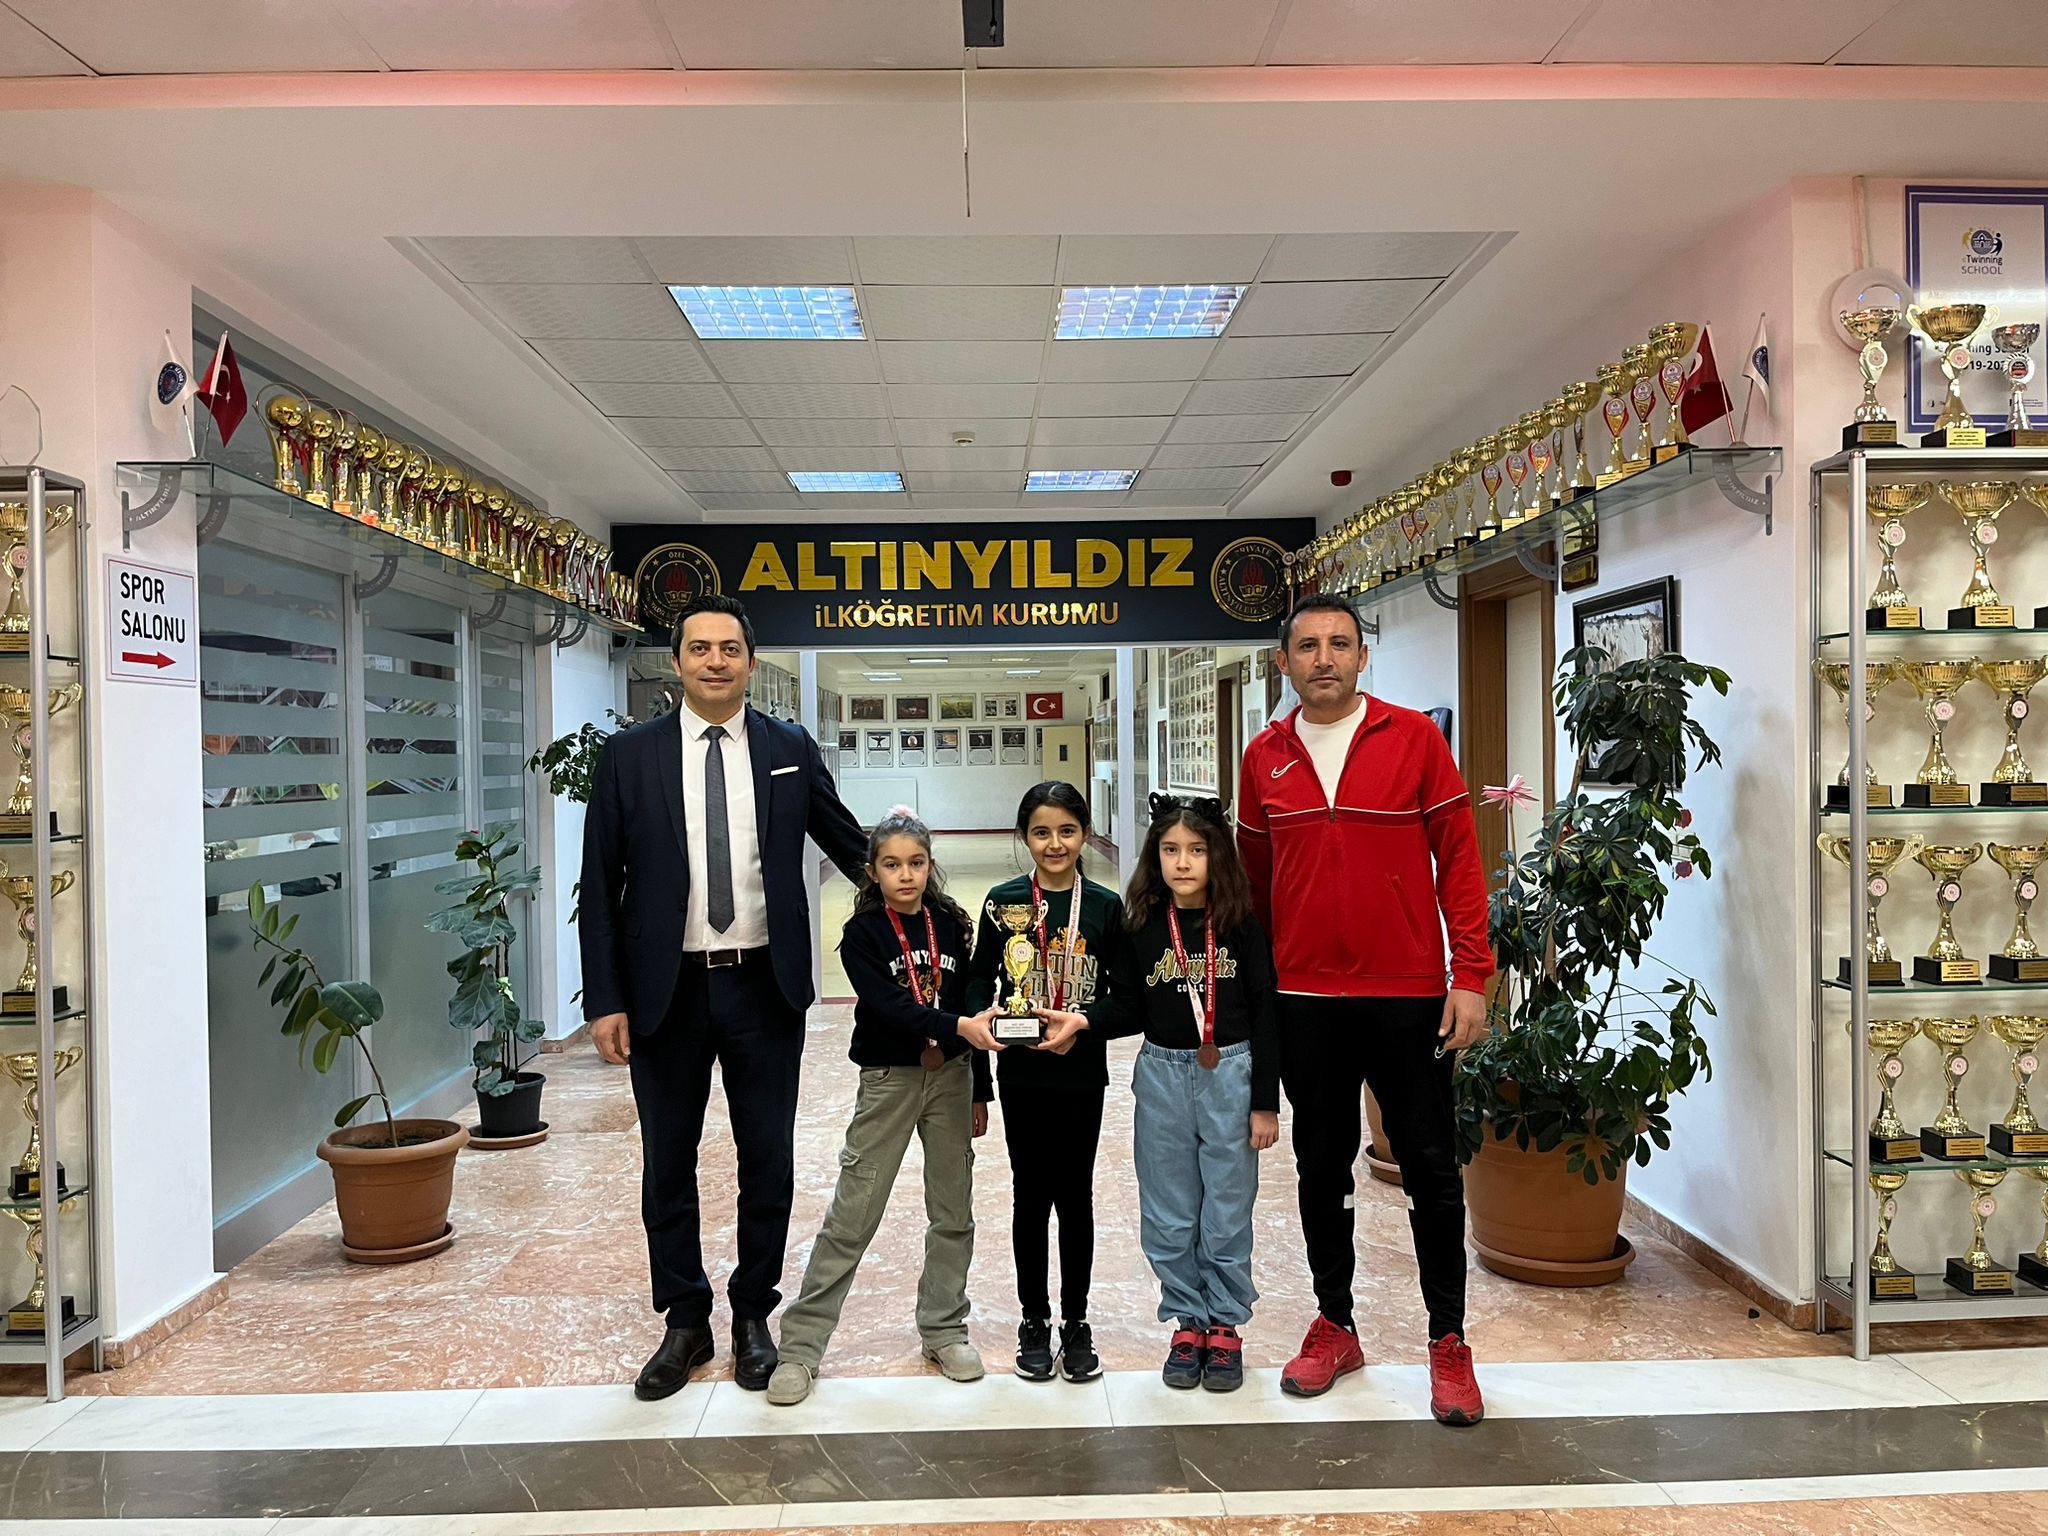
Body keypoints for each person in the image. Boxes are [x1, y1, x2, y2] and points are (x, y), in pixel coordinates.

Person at [579, 592, 868, 1402]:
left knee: (766, 1159)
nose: (715, 661)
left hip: (762, 985)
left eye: (729, 648)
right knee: (668, 1162)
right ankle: (684, 1319)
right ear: (677, 662)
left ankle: (751, 1315)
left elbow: (849, 844)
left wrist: (924, 896)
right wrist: (605, 999)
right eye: (700, 648)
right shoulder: (629, 756)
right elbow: (600, 883)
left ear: (750, 661)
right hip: (664, 991)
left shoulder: (788, 747)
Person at [1236, 591, 1492, 1426]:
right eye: (1307, 646)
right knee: (1321, 1165)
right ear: (1284, 662)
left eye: (1339, 644)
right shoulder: (1263, 757)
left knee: (1430, 1167)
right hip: (1305, 999)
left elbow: (1459, 860)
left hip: (1407, 996)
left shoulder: (1413, 739)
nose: (1324, 659)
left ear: (1362, 656)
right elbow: (1255, 890)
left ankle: (1448, 1340)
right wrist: (1256, 997)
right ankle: (1336, 1324)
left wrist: (1470, 973)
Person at [1045, 792, 1277, 1393]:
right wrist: (1084, 1021)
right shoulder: (1143, 926)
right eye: (1170, 850)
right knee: (1169, 1211)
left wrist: (1264, 1102)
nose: (1183, 862)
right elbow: (1127, 1004)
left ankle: (1224, 1324)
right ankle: (1187, 1322)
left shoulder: (1241, 925)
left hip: (1231, 1074)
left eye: (1196, 850)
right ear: (1156, 857)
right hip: (1163, 1075)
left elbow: (1266, 1014)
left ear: (1217, 856)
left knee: (1226, 1209)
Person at [767, 809, 999, 1404]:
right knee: (854, 1213)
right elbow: (892, 1007)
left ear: (930, 865)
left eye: (916, 863)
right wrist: (958, 1027)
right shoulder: (863, 935)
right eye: (892, 865)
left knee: (953, 1211)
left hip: (952, 1080)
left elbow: (971, 1005)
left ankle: (944, 1329)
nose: (906, 875)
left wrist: (980, 1087)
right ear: (872, 871)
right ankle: (801, 1347)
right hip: (889, 1081)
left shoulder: (951, 924)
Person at [963, 781, 1120, 1384]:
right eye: (1041, 832)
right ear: (1024, 837)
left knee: (1075, 1196)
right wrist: (981, 1037)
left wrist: (1086, 1022)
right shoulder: (1003, 901)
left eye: (1067, 831)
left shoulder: (1105, 907)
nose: (1055, 844)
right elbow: (978, 982)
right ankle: (1034, 1319)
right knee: (1029, 1196)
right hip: (1022, 1071)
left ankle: (1076, 1321)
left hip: (1082, 1073)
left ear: (1084, 834)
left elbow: (1127, 999)